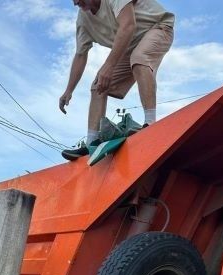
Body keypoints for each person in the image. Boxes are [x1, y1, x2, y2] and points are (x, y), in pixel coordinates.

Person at [60, 0, 175, 160]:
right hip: (129, 44)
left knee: (140, 57)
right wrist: (69, 90)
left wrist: (109, 66)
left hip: (158, 27)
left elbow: (128, 26)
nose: (76, 2)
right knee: (97, 86)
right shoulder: (83, 19)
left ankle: (150, 123)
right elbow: (80, 54)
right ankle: (92, 142)